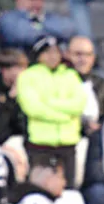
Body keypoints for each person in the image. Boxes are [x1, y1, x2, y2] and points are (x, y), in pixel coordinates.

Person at [17, 37, 87, 187]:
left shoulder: (71, 75)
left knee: (68, 188)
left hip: (67, 143)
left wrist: (48, 102)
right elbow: (33, 108)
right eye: (48, 52)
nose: (53, 56)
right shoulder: (27, 76)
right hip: (40, 143)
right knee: (39, 186)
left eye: (56, 52)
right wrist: (65, 116)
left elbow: (78, 105)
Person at [0, 0, 76, 52]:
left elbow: (68, 29)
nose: (37, 3)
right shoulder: (8, 17)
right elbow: (22, 35)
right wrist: (50, 34)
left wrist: (39, 23)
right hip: (19, 60)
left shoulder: (48, 16)